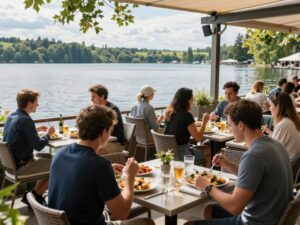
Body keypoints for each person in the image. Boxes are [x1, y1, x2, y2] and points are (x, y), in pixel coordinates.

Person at [185, 100, 293, 225]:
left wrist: (207, 187)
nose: (229, 129)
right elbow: (254, 176)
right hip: (275, 217)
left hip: (255, 221)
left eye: (230, 125)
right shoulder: (276, 145)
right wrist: (227, 164)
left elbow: (235, 207)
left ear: (241, 125)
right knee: (209, 210)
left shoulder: (253, 156)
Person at [48, 105, 153, 225]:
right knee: (148, 222)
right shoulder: (99, 166)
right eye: (110, 131)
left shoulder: (60, 153)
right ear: (104, 132)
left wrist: (107, 171)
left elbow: (80, 178)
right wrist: (130, 177)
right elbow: (122, 213)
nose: (109, 136)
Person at [3, 89, 55, 206]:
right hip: (22, 166)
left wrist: (35, 130)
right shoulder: (26, 120)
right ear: (30, 103)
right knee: (58, 165)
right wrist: (49, 134)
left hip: (10, 167)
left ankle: (35, 195)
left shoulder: (12, 116)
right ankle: (34, 196)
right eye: (36, 102)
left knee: (47, 157)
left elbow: (17, 133)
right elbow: (39, 146)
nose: (38, 104)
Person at [164, 88, 210, 162]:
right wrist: (204, 122)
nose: (193, 101)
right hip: (182, 154)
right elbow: (198, 138)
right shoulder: (187, 115)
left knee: (202, 146)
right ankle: (206, 173)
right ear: (187, 101)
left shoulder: (168, 113)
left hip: (169, 152)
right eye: (192, 98)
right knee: (208, 149)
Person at [263, 92, 300, 161]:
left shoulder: (283, 125)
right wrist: (270, 133)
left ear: (278, 107)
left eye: (271, 105)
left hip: (284, 167)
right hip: (293, 165)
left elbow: (272, 151)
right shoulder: (293, 120)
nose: (270, 109)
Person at [89, 84, 125, 154]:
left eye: (93, 97)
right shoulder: (97, 109)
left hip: (115, 143)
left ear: (102, 96)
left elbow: (109, 131)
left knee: (92, 151)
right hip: (102, 141)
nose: (91, 99)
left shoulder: (112, 109)